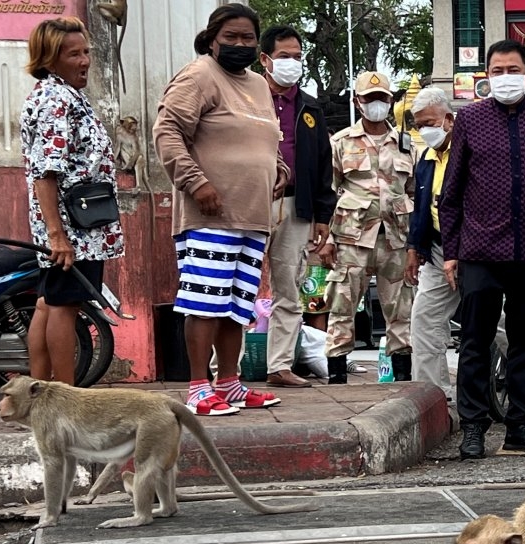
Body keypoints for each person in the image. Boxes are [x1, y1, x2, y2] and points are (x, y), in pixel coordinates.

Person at [439, 39, 525, 459]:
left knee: (524, 343)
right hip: (479, 250)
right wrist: (451, 250)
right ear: (487, 75)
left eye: (512, 69)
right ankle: (474, 428)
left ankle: (520, 426)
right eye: (496, 71)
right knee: (476, 343)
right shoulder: (470, 120)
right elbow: (453, 189)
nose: (504, 78)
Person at [153, 4, 289, 416]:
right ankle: (198, 388)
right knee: (204, 302)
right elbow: (167, 130)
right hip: (211, 214)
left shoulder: (259, 84)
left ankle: (229, 384)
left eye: (248, 38)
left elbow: (265, 139)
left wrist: (278, 168)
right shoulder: (199, 75)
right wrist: (197, 183)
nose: (239, 44)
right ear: (212, 38)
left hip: (253, 215)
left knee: (238, 307)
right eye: (230, 37)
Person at [407, 87, 525, 415]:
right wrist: (414, 246)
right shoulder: (426, 159)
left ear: (450, 119)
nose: (424, 131)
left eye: (429, 123)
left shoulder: (477, 146)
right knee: (424, 322)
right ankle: (434, 399)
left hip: (477, 251)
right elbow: (422, 206)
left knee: (498, 324)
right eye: (418, 126)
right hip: (438, 252)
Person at [20, 16, 123, 386]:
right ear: (49, 59)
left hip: (77, 224)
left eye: (86, 52)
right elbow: (45, 173)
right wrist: (57, 235)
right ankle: (63, 397)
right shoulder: (56, 100)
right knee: (64, 307)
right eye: (73, 54)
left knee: (49, 304)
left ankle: (39, 392)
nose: (84, 61)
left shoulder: (60, 94)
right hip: (72, 228)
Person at [319, 70, 415, 384]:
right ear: (357, 101)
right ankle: (338, 379)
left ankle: (402, 382)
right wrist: (327, 239)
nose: (376, 104)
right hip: (351, 239)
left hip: (395, 239)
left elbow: (413, 190)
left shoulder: (405, 144)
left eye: (382, 99)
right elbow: (328, 193)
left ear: (391, 101)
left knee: (401, 311)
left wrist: (415, 243)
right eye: (370, 98)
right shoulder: (341, 143)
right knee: (342, 306)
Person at [259, 25, 336, 389]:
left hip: (294, 205)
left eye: (297, 57)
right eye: (284, 56)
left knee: (288, 287)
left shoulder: (309, 106)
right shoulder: (247, 97)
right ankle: (219, 369)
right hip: (249, 203)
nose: (291, 63)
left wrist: (323, 215)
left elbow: (323, 164)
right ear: (265, 59)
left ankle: (279, 365)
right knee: (233, 285)